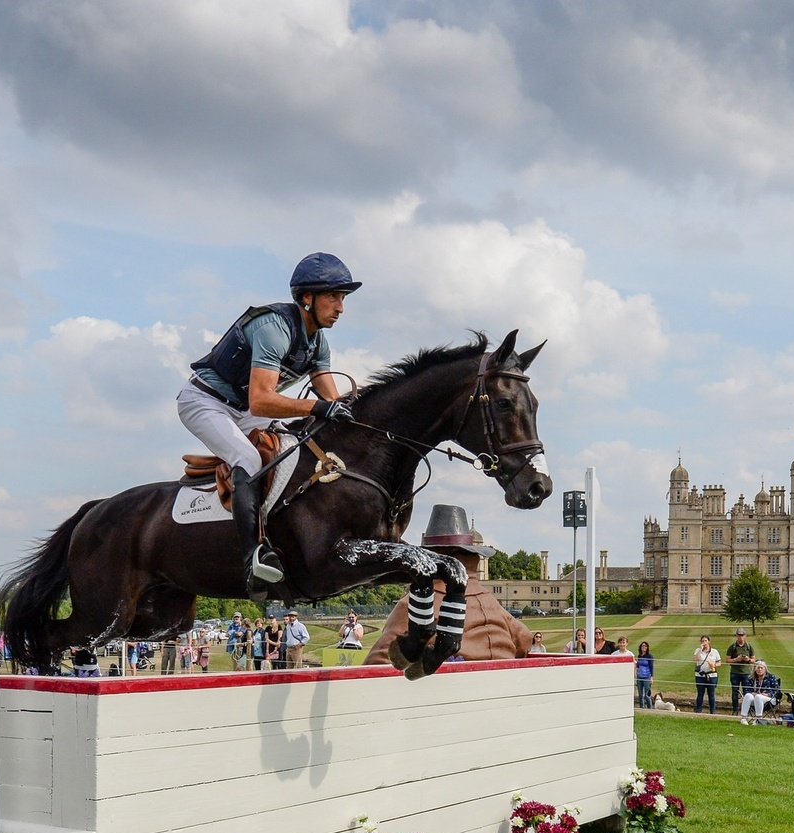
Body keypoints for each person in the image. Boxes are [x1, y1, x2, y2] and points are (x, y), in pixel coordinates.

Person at [175, 253, 361, 597]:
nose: (340, 308)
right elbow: (262, 400)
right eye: (333, 297)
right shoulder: (273, 327)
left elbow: (331, 400)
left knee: (293, 448)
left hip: (245, 408)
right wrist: (320, 407)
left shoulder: (317, 343)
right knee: (247, 459)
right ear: (307, 298)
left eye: (343, 298)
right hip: (205, 401)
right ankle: (253, 558)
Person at [366, 504, 533, 666]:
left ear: (429, 557)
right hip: (505, 680)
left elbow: (379, 662)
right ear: (472, 557)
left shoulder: (415, 603)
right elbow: (524, 639)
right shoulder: (491, 602)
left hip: (450, 683)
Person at [725, 628, 756, 715]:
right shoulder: (732, 647)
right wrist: (736, 659)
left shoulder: (749, 647)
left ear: (745, 636)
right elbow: (727, 660)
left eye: (742, 635)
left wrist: (748, 659)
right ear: (736, 636)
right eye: (739, 635)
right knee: (735, 692)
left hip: (746, 673)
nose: (741, 637)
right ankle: (735, 710)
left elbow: (754, 660)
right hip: (735, 673)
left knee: (747, 693)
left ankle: (746, 711)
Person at [693, 635, 722, 713]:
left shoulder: (714, 651)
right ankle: (698, 710)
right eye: (702, 641)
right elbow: (696, 659)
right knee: (700, 693)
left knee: (711, 694)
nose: (704, 642)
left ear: (709, 642)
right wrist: (700, 650)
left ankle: (713, 711)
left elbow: (719, 662)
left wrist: (714, 665)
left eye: (705, 641)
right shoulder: (698, 650)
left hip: (711, 675)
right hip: (700, 675)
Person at [634, 641, 655, 708]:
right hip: (639, 676)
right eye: (642, 646)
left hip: (646, 677)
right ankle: (641, 707)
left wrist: (651, 677)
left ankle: (649, 708)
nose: (644, 647)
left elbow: (651, 667)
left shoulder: (650, 656)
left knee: (647, 695)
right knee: (640, 694)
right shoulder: (640, 655)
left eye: (645, 646)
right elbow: (638, 665)